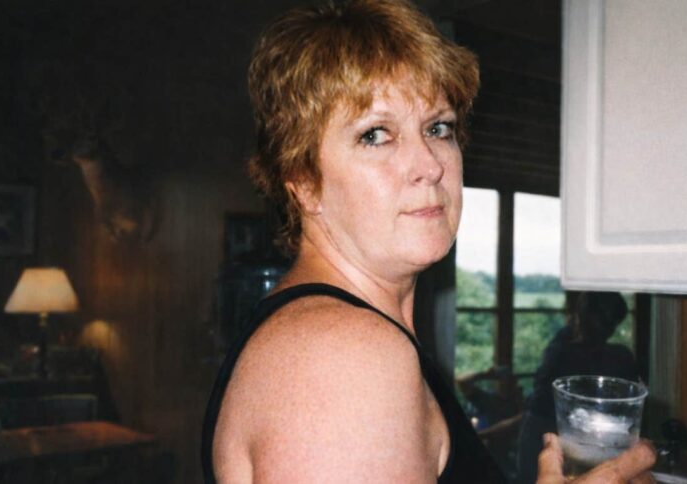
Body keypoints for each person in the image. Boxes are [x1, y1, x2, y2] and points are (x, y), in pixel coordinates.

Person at [201, 1, 655, 482]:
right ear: (304, 183)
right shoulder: (342, 357)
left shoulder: (341, 334)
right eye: (376, 135)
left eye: (438, 128)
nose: (431, 165)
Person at [515, 291, 641, 484]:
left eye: (580, 311)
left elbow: (539, 387)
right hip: (548, 431)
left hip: (562, 434)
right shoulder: (616, 356)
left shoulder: (571, 349)